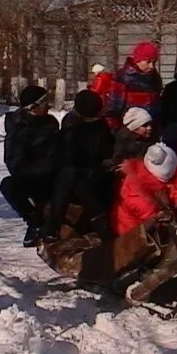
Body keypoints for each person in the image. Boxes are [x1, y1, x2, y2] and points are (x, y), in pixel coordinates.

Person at [43, 89, 115, 240]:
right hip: (79, 175)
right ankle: (100, 225)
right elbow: (64, 158)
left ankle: (53, 225)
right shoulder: (76, 128)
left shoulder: (96, 128)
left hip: (93, 174)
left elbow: (105, 152)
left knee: (72, 177)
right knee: (72, 177)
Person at [0, 85, 60, 247]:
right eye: (44, 103)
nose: (48, 106)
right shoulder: (18, 130)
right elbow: (15, 165)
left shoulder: (50, 122)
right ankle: (34, 221)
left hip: (56, 176)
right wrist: (47, 167)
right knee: (8, 184)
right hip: (34, 178)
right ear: (33, 107)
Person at [110, 143, 177, 236]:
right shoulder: (144, 200)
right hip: (130, 234)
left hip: (124, 219)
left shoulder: (136, 170)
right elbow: (151, 224)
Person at [102, 42, 163, 131]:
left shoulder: (155, 79)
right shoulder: (122, 77)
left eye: (154, 63)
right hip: (128, 130)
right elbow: (113, 107)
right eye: (148, 62)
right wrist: (113, 130)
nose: (151, 66)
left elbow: (157, 106)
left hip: (151, 129)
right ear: (137, 60)